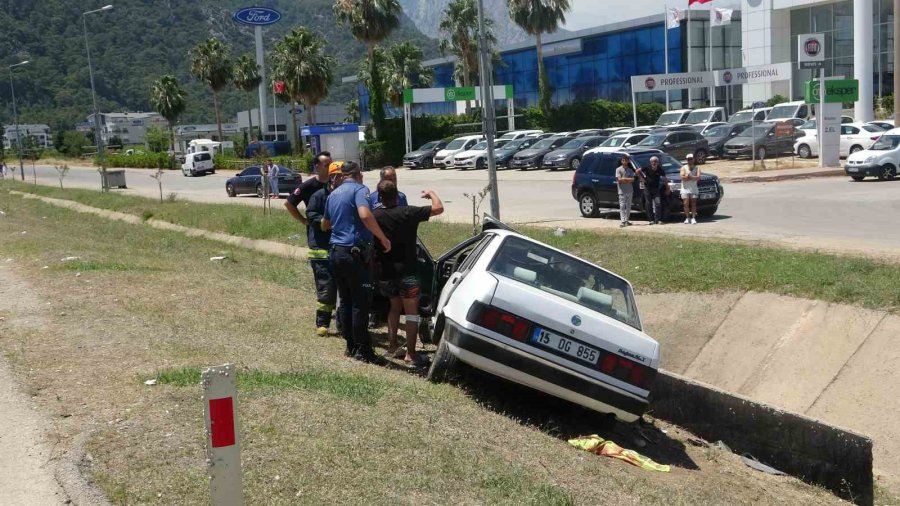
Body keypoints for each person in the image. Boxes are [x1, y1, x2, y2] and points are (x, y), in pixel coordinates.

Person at [323, 161, 392, 363]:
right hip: (355, 254)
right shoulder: (360, 190)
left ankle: (350, 346)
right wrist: (382, 237)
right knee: (360, 302)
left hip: (336, 252)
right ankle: (364, 350)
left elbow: (325, 224)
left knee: (344, 300)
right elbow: (365, 215)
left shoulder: (333, 193)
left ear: (342, 176)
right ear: (359, 174)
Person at [373, 181, 443, 367]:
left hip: (386, 273)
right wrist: (431, 192)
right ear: (397, 195)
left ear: (379, 197)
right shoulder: (408, 212)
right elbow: (438, 208)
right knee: (411, 313)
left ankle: (392, 346)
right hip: (408, 273)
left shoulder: (375, 216)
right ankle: (411, 355)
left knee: (394, 307)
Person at [285, 152, 335, 334]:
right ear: (317, 166)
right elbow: (289, 204)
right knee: (324, 282)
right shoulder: (309, 186)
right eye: (325, 164)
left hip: (336, 239)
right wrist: (304, 221)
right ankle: (323, 321)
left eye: (331, 163)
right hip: (318, 237)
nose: (329, 167)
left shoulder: (337, 186)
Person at [303, 163, 343, 336]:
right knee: (326, 288)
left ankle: (342, 325)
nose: (344, 179)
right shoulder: (319, 196)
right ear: (333, 177)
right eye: (341, 176)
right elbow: (311, 214)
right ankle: (323, 323)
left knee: (344, 288)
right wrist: (326, 223)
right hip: (321, 249)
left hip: (341, 249)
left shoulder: (347, 196)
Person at [636, 156, 668, 225]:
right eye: (652, 161)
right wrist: (642, 179)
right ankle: (651, 220)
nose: (654, 163)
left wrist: (667, 188)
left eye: (655, 161)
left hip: (656, 189)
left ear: (658, 162)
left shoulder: (660, 169)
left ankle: (658, 219)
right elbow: (637, 171)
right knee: (648, 204)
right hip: (647, 188)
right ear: (650, 162)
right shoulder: (647, 168)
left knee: (658, 203)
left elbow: (665, 179)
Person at [615, 154, 636, 227]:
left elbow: (633, 179)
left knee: (629, 206)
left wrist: (625, 179)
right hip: (621, 191)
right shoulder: (618, 169)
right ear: (621, 161)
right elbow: (619, 180)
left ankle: (627, 220)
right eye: (623, 160)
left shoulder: (630, 170)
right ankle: (623, 221)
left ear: (628, 161)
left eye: (626, 160)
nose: (624, 162)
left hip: (629, 190)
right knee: (622, 206)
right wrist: (627, 179)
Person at [680, 154, 701, 224]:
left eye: (691, 159)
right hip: (685, 189)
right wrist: (691, 178)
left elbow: (698, 177)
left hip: (693, 189)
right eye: (688, 159)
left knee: (693, 203)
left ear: (693, 159)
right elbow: (682, 177)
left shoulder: (697, 168)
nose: (690, 160)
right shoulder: (683, 167)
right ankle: (687, 217)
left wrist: (690, 177)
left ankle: (693, 218)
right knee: (686, 203)